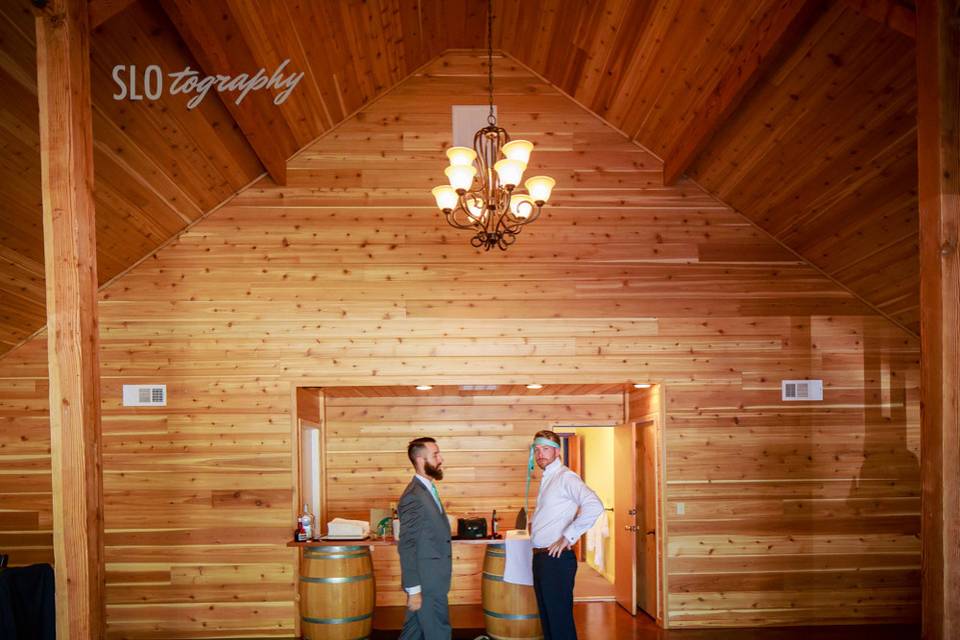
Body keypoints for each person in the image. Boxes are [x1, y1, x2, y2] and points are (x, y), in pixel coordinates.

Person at [529, 430, 604, 640]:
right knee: (548, 620)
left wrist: (568, 536)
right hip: (542, 558)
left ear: (557, 451)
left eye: (545, 449)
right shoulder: (548, 478)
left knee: (559, 622)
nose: (540, 454)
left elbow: (594, 505)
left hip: (556, 560)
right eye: (537, 450)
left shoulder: (565, 477)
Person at [397, 437, 452, 640]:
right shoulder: (413, 496)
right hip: (427, 582)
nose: (441, 459)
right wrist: (414, 590)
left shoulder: (427, 490)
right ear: (421, 460)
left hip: (432, 579)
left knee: (413, 632)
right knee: (439, 632)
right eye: (435, 455)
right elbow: (407, 546)